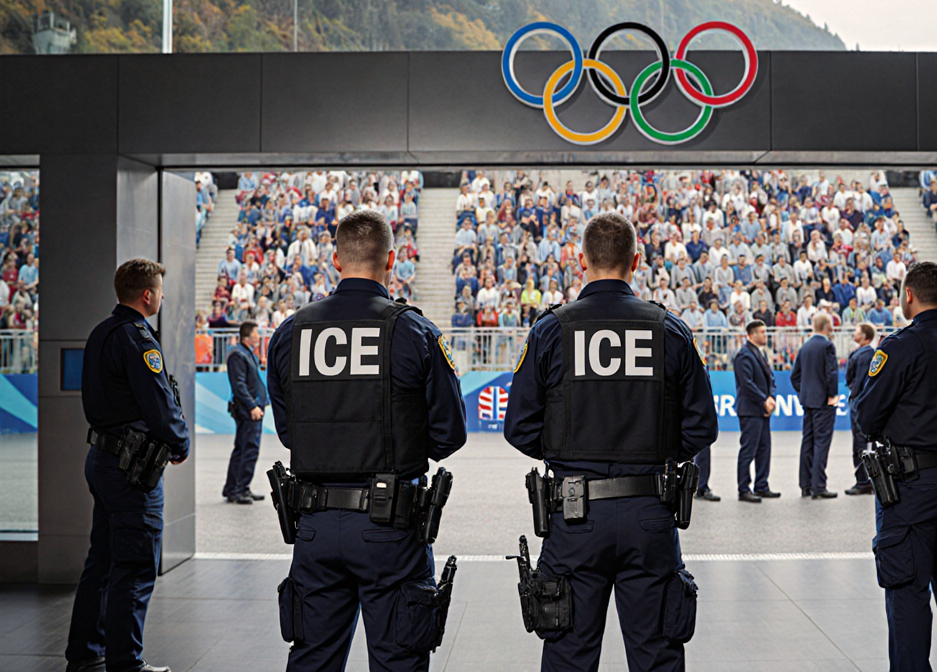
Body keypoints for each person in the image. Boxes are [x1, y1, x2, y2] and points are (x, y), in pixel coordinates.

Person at [505, 212, 719, 672]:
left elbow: (519, 427)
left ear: (581, 261)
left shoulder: (550, 330)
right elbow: (703, 428)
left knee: (568, 654)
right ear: (636, 261)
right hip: (650, 514)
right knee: (657, 654)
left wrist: (569, 452)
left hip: (575, 515)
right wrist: (656, 451)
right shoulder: (670, 329)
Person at [266, 210, 468, 671]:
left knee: (312, 659)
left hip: (314, 525)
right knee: (399, 658)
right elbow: (448, 436)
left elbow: (288, 432)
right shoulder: (414, 332)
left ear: (335, 260)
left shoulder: (290, 333)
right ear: (391, 260)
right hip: (390, 529)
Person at [853, 261, 937, 672]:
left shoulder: (901, 345)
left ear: (908, 294)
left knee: (908, 589)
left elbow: (867, 416)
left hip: (910, 486)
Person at [66, 259, 190, 672]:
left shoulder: (102, 331)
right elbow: (158, 402)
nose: (161, 297)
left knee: (100, 561)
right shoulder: (138, 338)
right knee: (135, 567)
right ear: (148, 295)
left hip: (101, 460)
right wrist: (180, 442)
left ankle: (85, 653)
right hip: (130, 469)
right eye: (159, 290)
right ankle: (125, 663)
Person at [791, 313, 839, 499]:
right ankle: (819, 486)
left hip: (808, 401)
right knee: (821, 443)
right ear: (827, 326)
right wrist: (831, 395)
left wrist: (804, 392)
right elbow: (831, 374)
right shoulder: (827, 346)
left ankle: (805, 485)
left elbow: (794, 376)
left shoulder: (805, 347)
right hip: (822, 402)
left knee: (807, 441)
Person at [223, 321, 268, 505]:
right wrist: (252, 406)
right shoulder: (238, 355)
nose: (259, 336)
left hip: (251, 408)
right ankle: (240, 489)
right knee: (249, 449)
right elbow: (239, 385)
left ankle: (234, 488)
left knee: (242, 448)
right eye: (256, 333)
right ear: (247, 336)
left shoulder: (246, 354)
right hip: (248, 411)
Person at [734, 319, 779, 502]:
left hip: (762, 409)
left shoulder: (760, 354)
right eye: (761, 332)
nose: (765, 335)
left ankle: (761, 485)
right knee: (748, 450)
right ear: (751, 335)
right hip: (751, 410)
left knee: (764, 449)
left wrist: (771, 398)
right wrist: (764, 400)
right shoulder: (744, 355)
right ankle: (744, 488)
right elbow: (747, 384)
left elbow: (771, 380)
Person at [843, 322, 876, 496]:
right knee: (868, 442)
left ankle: (862, 481)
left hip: (859, 403)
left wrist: (855, 394)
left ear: (865, 336)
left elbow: (854, 380)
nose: (854, 334)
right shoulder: (871, 354)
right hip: (867, 402)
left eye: (857, 331)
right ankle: (869, 479)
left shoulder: (861, 355)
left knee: (860, 442)